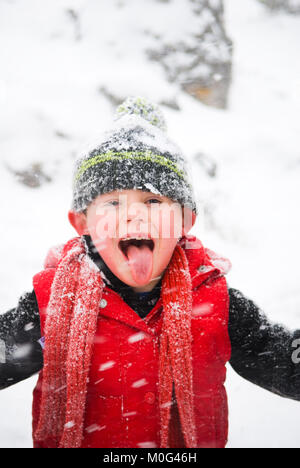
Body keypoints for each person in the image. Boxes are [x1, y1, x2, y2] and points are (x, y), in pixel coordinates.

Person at [0, 97, 299, 448]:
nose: (134, 215)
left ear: (186, 219)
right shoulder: (54, 302)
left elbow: (280, 357)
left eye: (154, 201)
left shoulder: (212, 298)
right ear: (81, 222)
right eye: (113, 202)